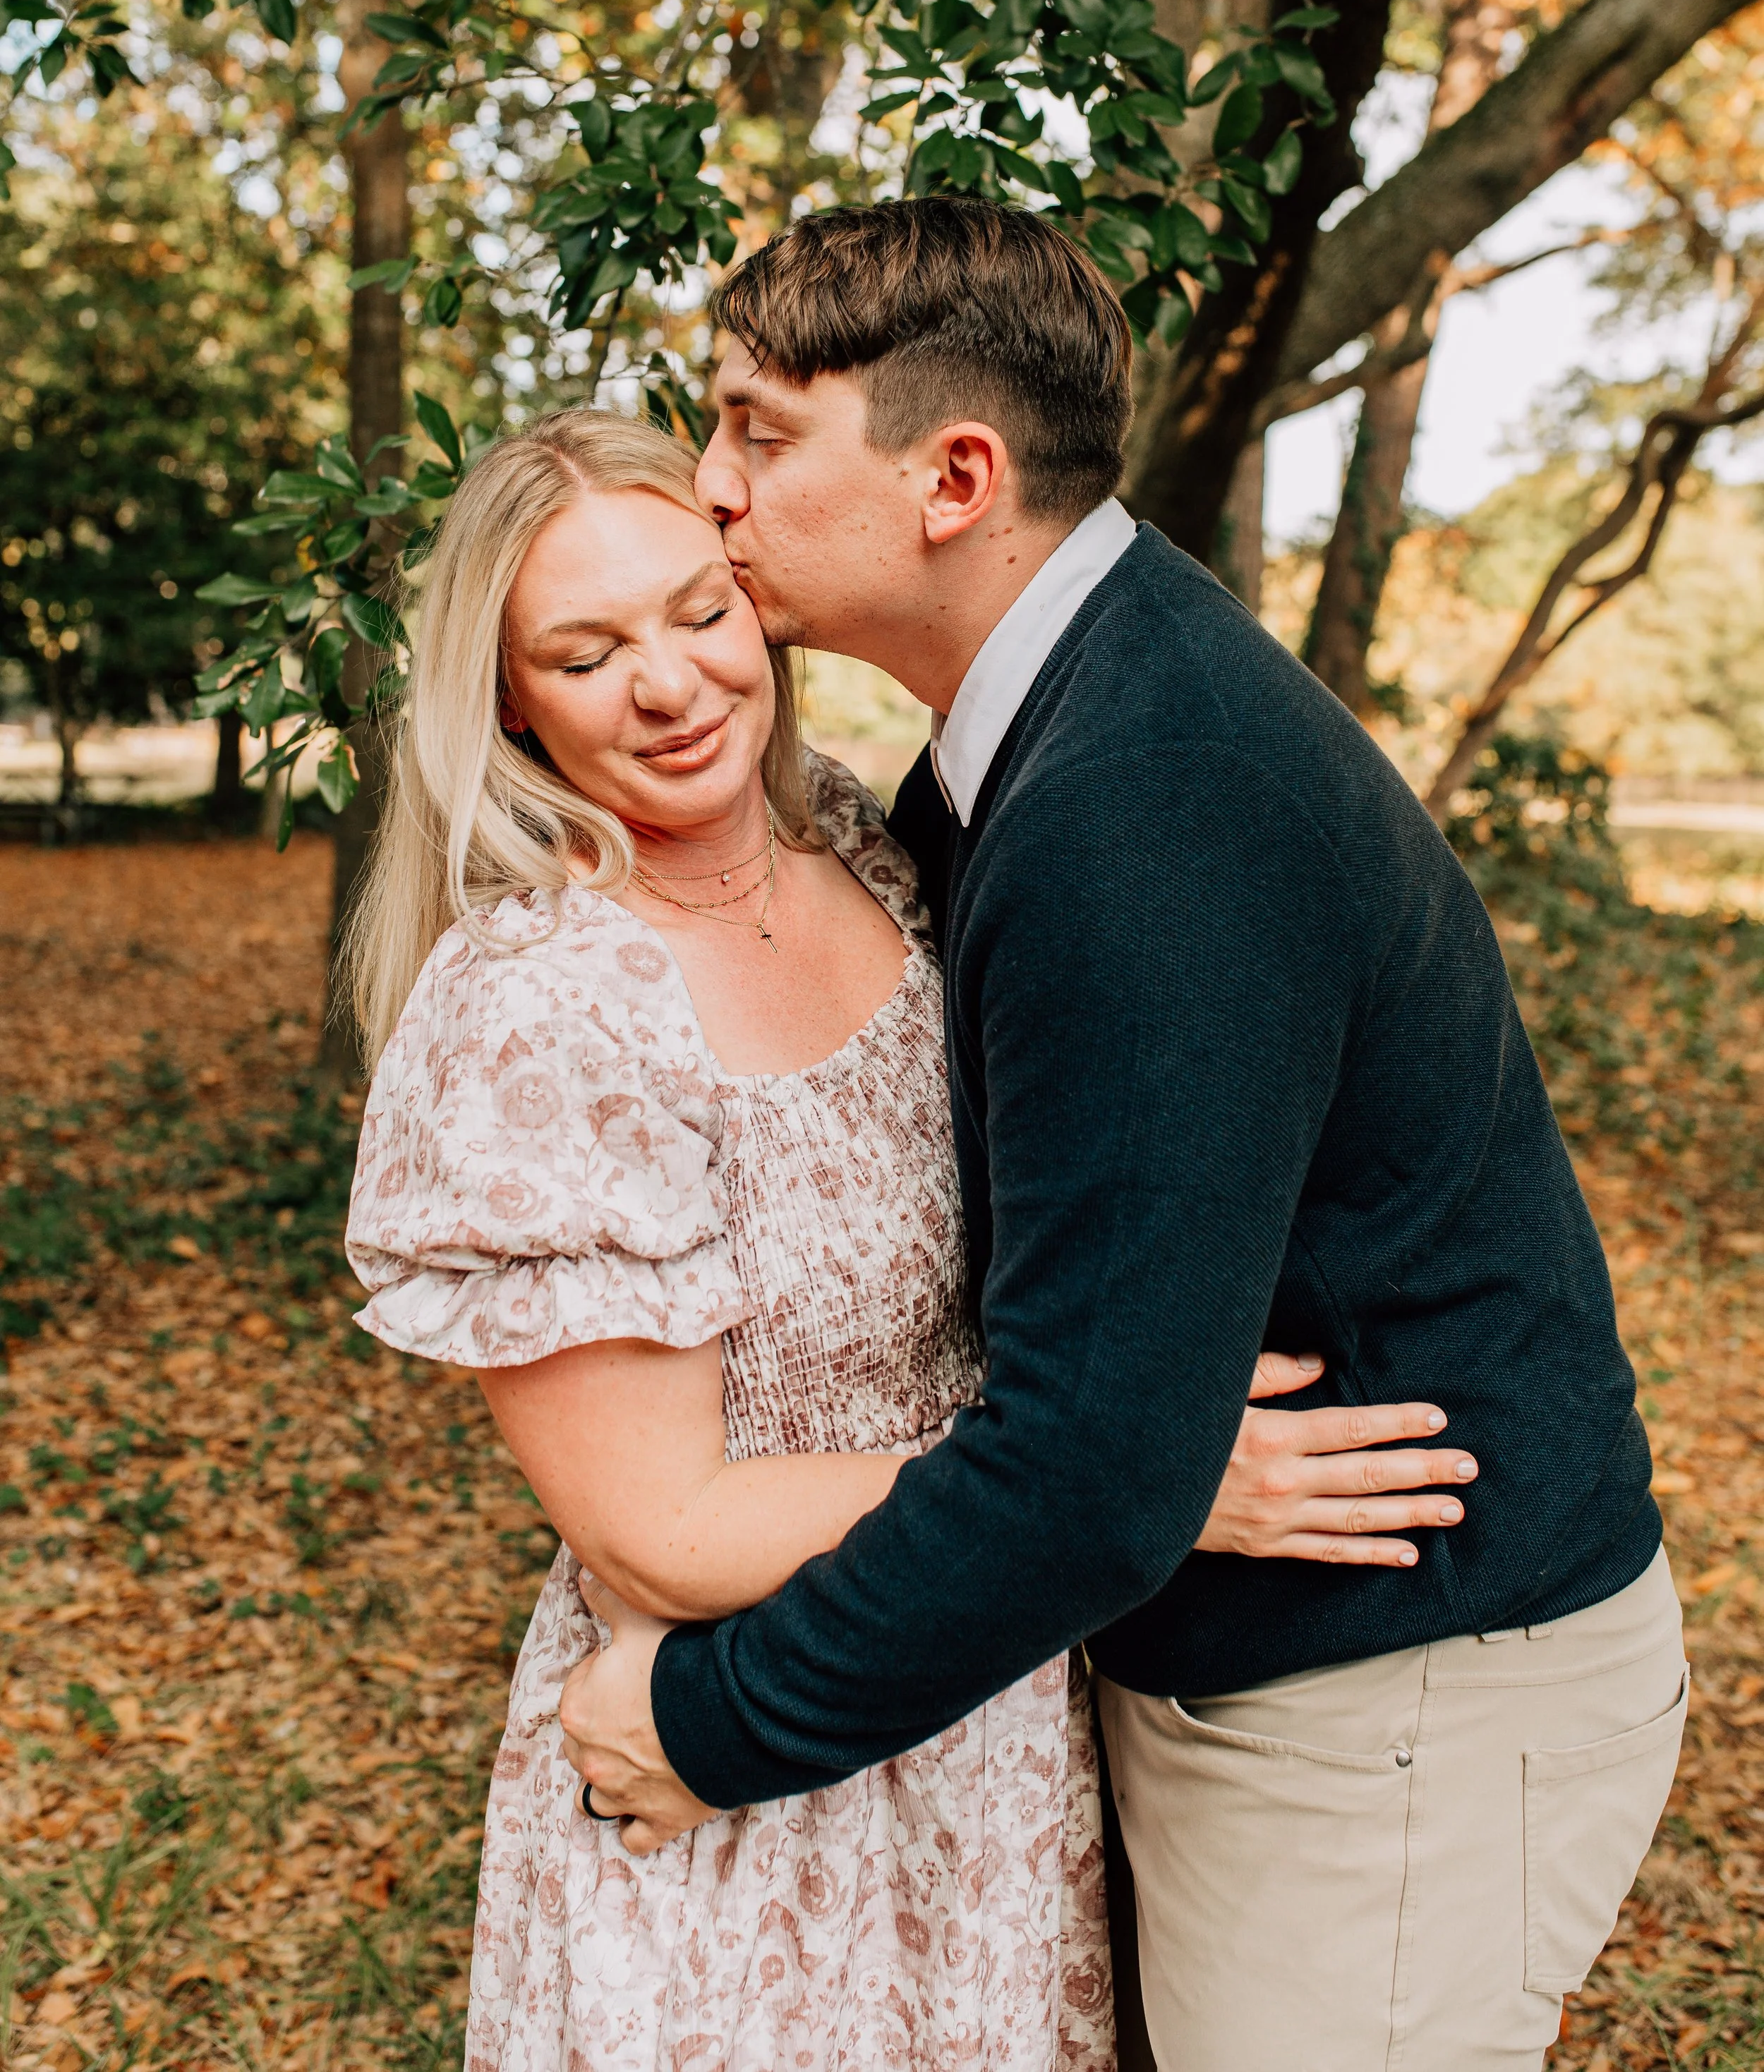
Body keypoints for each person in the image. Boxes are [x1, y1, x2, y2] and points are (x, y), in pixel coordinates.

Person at [559, 199, 1689, 2072]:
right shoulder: (1054, 731)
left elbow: (1091, 1465)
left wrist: (704, 1719)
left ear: (954, 475)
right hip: (1286, 1658)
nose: (713, 484)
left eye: (761, 430)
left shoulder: (1141, 801)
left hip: (1390, 1693)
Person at [344, 407, 1477, 2072]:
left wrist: (1093, 1479)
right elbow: (659, 1530)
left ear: (759, 602)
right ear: (509, 696)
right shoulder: (542, 1007)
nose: (667, 686)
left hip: (982, 1697)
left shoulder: (869, 851)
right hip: (742, 1753)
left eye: (696, 613)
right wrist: (1141, 1474)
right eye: (585, 653)